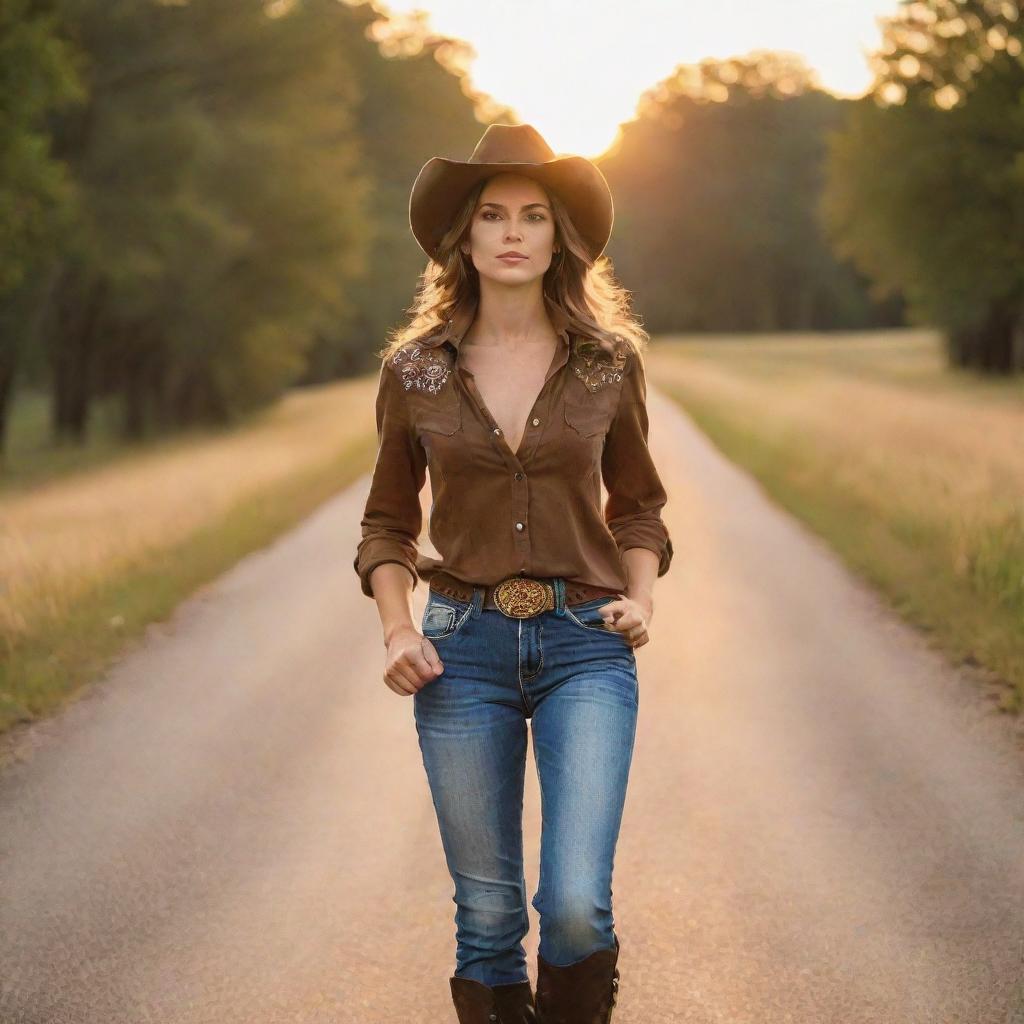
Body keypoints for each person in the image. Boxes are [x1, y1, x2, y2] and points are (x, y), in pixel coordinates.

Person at [353, 123, 673, 1024]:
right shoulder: (412, 371)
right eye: (491, 214)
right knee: (488, 918)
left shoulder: (610, 363)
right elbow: (385, 521)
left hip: (585, 648)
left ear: (559, 238)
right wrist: (397, 629)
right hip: (462, 652)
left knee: (574, 905)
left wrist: (639, 599)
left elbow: (639, 505)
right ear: (463, 235)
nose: (512, 232)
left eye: (535, 216)